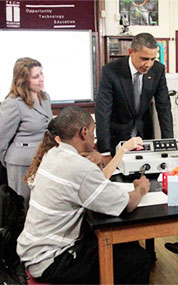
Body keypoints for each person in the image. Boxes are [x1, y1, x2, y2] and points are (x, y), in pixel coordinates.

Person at [17, 106, 152, 284]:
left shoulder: (53, 154)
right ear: (84, 132)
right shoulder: (79, 168)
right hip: (51, 261)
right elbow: (127, 204)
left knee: (125, 245)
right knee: (139, 260)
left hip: (33, 250)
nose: (94, 137)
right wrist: (141, 188)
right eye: (93, 131)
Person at [95, 33, 173, 157]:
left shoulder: (158, 70)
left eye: (153, 59)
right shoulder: (111, 71)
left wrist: (168, 145)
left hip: (144, 135)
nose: (149, 64)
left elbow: (164, 108)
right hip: (117, 136)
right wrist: (104, 151)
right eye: (144, 59)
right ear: (131, 52)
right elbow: (103, 112)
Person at [0, 57, 52, 211]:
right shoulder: (13, 102)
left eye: (41, 74)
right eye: (36, 77)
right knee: (21, 207)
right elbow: (1, 137)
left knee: (38, 205)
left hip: (43, 159)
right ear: (23, 80)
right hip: (21, 163)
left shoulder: (45, 97)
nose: (41, 79)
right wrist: (7, 161)